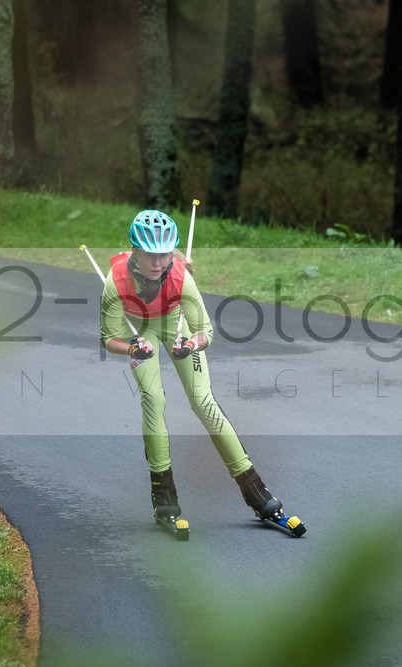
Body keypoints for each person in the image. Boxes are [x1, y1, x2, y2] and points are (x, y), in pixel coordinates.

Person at [99, 209, 285, 524]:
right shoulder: (115, 281)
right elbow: (108, 339)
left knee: (203, 400)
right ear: (135, 251)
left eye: (164, 254)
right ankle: (164, 497)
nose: (158, 262)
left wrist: (189, 345)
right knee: (154, 400)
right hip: (139, 328)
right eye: (149, 255)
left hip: (175, 323)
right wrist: (133, 347)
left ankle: (254, 489)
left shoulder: (181, 276)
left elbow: (205, 332)